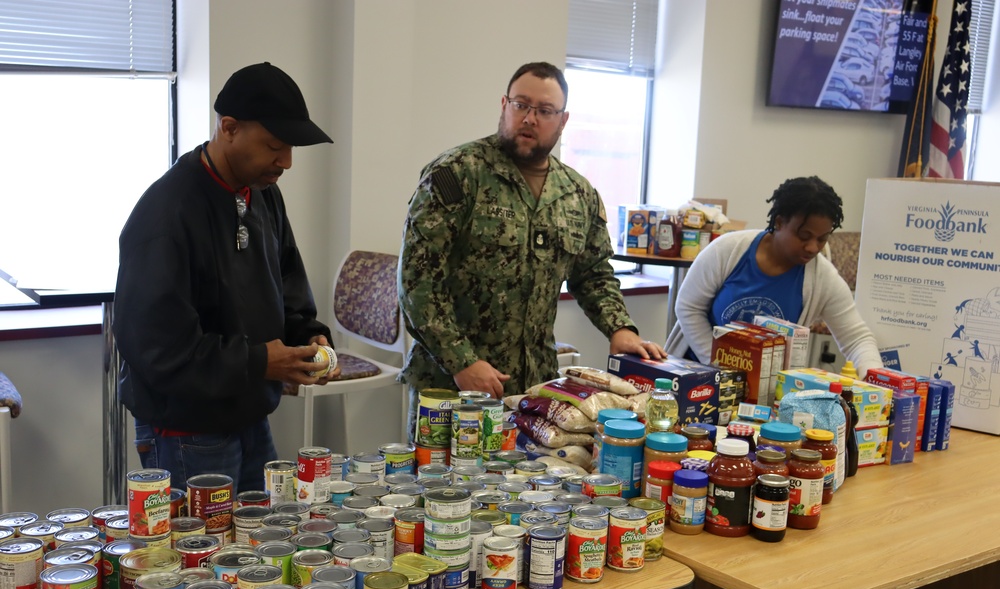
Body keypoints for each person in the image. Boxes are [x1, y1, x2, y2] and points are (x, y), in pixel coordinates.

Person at [114, 62, 337, 493]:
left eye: (291, 148)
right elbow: (158, 351)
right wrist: (260, 361)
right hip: (189, 432)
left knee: (252, 552)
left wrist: (309, 337)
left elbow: (288, 284)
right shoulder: (166, 215)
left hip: (251, 415)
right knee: (197, 557)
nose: (286, 162)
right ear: (229, 128)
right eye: (275, 145)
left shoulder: (263, 194)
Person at [398, 61, 663, 414]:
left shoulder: (577, 194)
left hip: (535, 387)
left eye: (544, 110)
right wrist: (461, 361)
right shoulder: (457, 174)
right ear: (504, 105)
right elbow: (418, 281)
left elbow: (593, 275)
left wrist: (620, 330)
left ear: (563, 120)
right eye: (521, 105)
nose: (530, 118)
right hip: (452, 385)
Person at [665, 175, 883, 377]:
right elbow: (687, 307)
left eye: (822, 239)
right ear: (779, 223)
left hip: (761, 392)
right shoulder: (728, 250)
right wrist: (717, 363)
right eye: (804, 236)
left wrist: (879, 381)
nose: (812, 247)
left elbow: (857, 339)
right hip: (696, 374)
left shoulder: (823, 278)